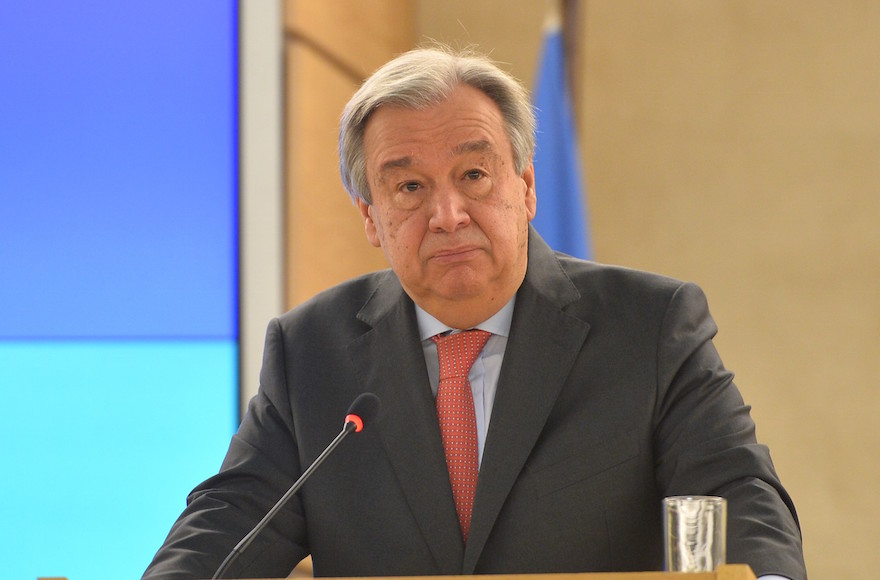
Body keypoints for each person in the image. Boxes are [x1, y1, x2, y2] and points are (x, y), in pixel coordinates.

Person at [143, 46, 807, 579]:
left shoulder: (650, 326)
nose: (448, 215)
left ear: (524, 187)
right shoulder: (311, 349)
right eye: (409, 186)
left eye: (474, 175)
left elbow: (737, 489)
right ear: (371, 219)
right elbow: (231, 518)